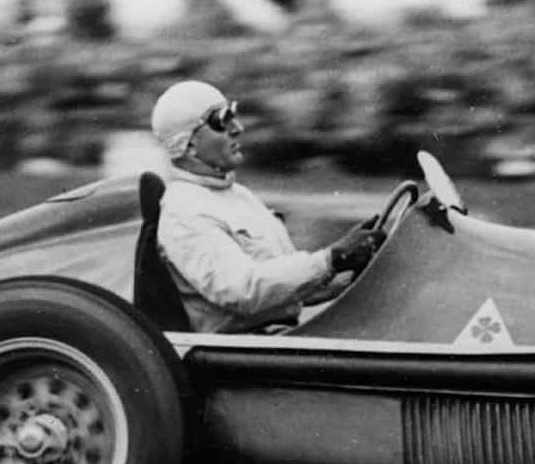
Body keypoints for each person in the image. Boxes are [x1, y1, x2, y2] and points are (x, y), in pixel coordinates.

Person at [149, 80, 383, 333]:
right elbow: (241, 290)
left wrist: (352, 271)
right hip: (242, 355)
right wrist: (333, 258)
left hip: (278, 341)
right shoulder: (184, 212)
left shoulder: (239, 195)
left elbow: (292, 289)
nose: (237, 128)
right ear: (189, 144)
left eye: (234, 117)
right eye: (221, 121)